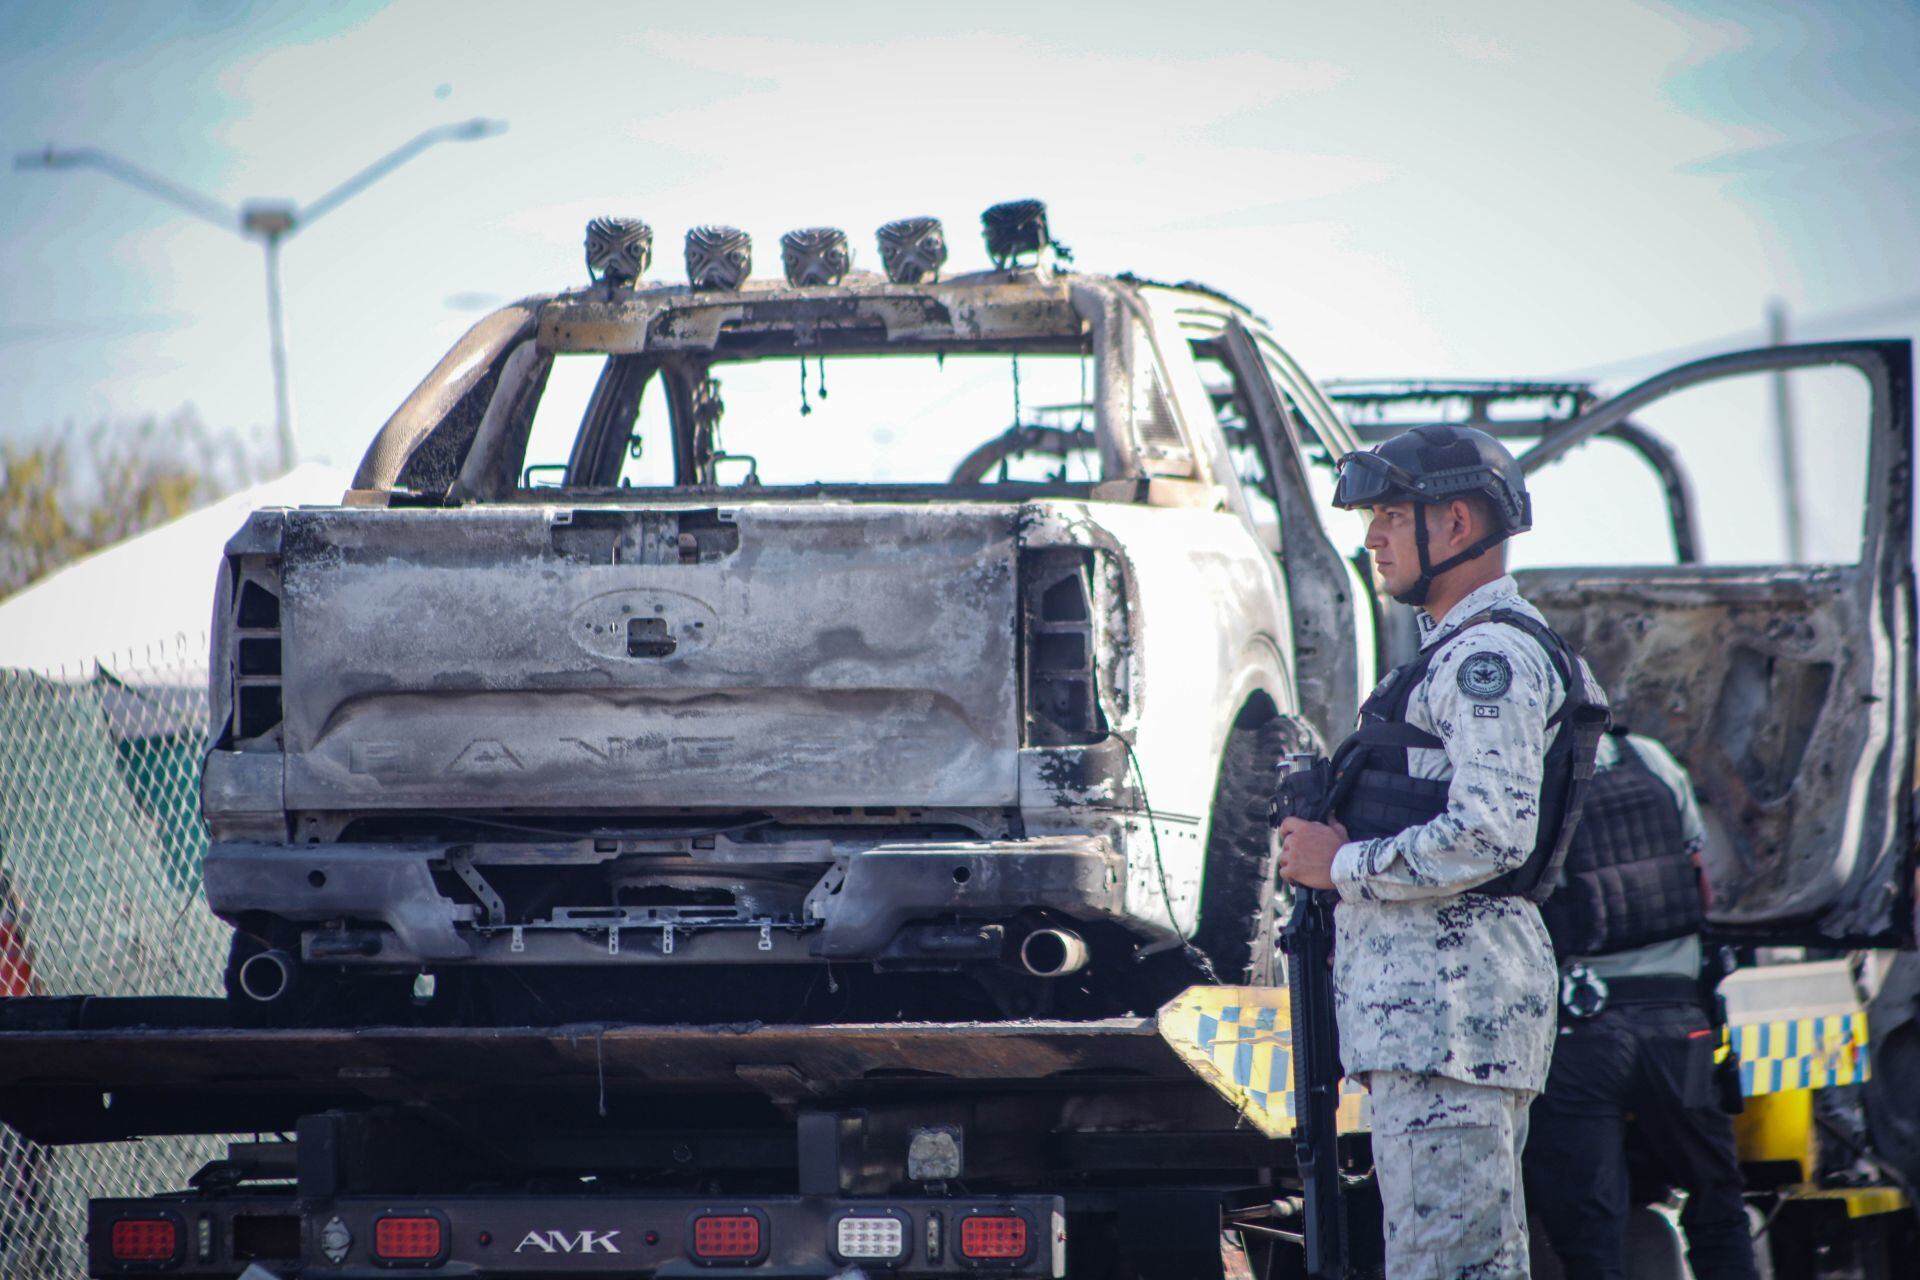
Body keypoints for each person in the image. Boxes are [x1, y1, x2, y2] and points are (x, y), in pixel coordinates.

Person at [1277, 423, 1606, 1280]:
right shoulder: (1453, 653)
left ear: (1456, 525)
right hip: (1439, 1024)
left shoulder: (1484, 657)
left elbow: (1492, 833)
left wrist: (1337, 865)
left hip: (1450, 1023)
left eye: (1391, 513)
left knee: (1449, 1267)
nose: (1372, 537)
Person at [1523, 727, 1758, 1280]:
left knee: (1589, 1230)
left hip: (1581, 1038)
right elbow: (1700, 884)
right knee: (1717, 1199)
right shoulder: (1649, 755)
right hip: (1682, 1031)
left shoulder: (1523, 769)